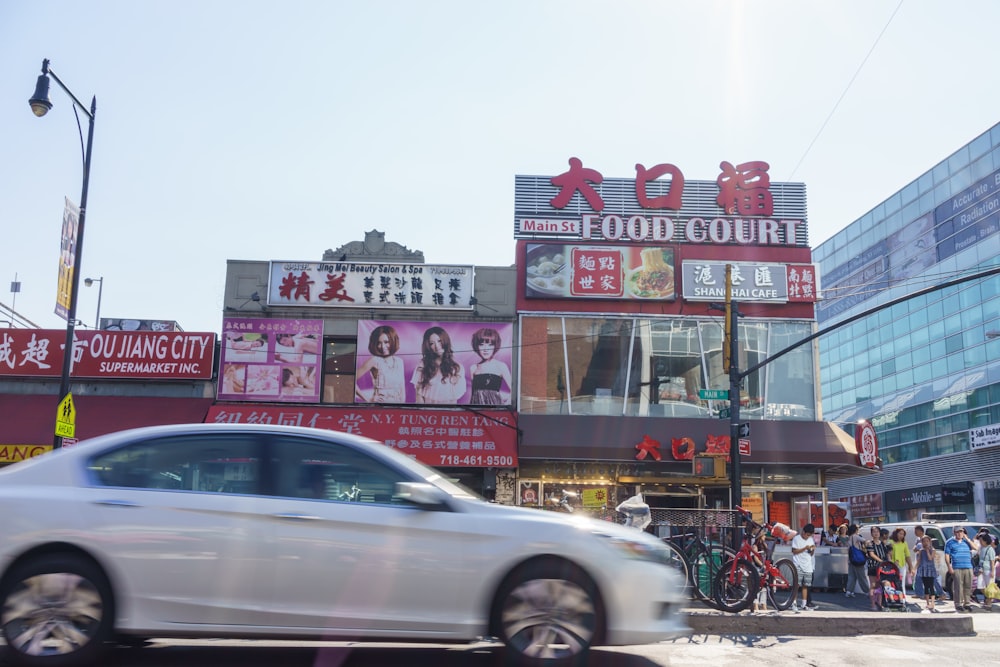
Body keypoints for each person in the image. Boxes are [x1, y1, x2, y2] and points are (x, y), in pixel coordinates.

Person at [412, 326, 466, 404]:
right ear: (428, 346)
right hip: (427, 413)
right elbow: (418, 395)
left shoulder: (457, 368)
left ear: (445, 341)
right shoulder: (423, 365)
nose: (437, 346)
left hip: (448, 414)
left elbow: (454, 398)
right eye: (432, 343)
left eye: (439, 341)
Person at [355, 325, 405, 403]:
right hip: (379, 407)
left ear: (393, 341)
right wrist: (367, 399)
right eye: (379, 343)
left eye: (386, 342)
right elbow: (351, 380)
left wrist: (402, 407)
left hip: (397, 406)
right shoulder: (374, 360)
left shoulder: (399, 361)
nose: (382, 347)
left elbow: (402, 388)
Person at [469, 327, 512, 405]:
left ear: (495, 346)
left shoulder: (501, 366)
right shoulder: (473, 368)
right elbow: (473, 396)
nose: (486, 349)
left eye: (490, 345)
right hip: (477, 411)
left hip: (495, 411)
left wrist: (504, 407)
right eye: (481, 345)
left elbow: (514, 391)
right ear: (476, 346)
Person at [945, 526, 977, 612]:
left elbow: (975, 548)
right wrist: (949, 566)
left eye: (961, 532)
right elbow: (947, 555)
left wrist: (967, 539)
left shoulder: (966, 542)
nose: (960, 534)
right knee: (958, 586)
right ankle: (958, 603)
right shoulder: (950, 542)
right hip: (957, 566)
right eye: (958, 532)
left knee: (968, 586)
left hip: (968, 566)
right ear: (954, 533)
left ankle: (967, 603)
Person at [912, 525, 945, 600]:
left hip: (929, 566)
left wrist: (926, 550)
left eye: (916, 531)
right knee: (918, 578)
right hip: (921, 565)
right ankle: (919, 593)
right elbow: (915, 551)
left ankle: (941, 593)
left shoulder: (928, 546)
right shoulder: (918, 541)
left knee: (933, 580)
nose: (915, 533)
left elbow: (930, 557)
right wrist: (914, 568)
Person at [791, 523, 818, 611]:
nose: (807, 537)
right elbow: (794, 551)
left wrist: (812, 550)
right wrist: (804, 548)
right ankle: (793, 603)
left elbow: (811, 554)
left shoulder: (811, 540)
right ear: (803, 532)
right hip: (798, 564)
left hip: (808, 565)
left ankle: (804, 604)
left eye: (809, 535)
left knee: (806, 585)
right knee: (796, 585)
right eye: (806, 534)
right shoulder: (796, 538)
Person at [866, 527, 890, 611]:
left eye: (877, 532)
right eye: (874, 532)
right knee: (873, 585)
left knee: (880, 585)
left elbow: (887, 554)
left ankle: (879, 603)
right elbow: (871, 554)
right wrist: (881, 561)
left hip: (882, 567)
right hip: (873, 566)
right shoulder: (870, 543)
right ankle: (873, 604)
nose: (876, 533)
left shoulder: (882, 543)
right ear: (871, 533)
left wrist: (889, 563)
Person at [844, 524, 870, 599]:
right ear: (855, 530)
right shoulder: (855, 536)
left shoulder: (848, 538)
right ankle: (867, 591)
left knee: (852, 576)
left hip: (851, 559)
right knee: (862, 576)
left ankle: (849, 591)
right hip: (858, 559)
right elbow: (865, 541)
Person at [915, 534, 939, 612]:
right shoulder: (921, 551)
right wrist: (914, 569)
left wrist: (928, 550)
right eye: (924, 541)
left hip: (930, 570)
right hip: (923, 570)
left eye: (927, 541)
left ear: (930, 542)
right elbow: (919, 560)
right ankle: (927, 602)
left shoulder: (933, 550)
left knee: (931, 586)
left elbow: (930, 558)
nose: (926, 543)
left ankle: (932, 603)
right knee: (925, 586)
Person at [889, 528, 914, 600]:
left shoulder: (904, 543)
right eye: (900, 533)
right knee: (893, 581)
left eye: (903, 534)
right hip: (892, 565)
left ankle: (902, 597)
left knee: (901, 581)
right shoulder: (890, 542)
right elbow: (889, 553)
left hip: (902, 564)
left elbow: (907, 555)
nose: (901, 536)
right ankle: (893, 597)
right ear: (896, 533)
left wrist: (910, 566)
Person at [978, 533, 996, 609]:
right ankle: (988, 598)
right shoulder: (981, 548)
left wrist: (992, 571)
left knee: (989, 587)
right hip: (981, 570)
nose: (980, 542)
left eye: (981, 540)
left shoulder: (990, 549)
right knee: (980, 586)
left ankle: (989, 602)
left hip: (989, 570)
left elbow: (992, 561)